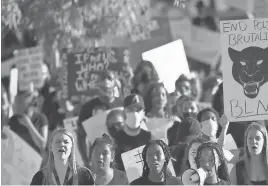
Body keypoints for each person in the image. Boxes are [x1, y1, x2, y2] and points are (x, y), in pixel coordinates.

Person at [77, 70, 123, 167]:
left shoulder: (123, 105)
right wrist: (86, 160)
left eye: (109, 78)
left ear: (115, 83)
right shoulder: (87, 108)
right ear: (97, 84)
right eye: (102, 78)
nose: (106, 81)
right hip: (99, 158)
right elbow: (81, 136)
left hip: (121, 158)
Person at [30, 128, 95, 185]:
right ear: (50, 147)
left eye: (66, 142)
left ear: (72, 148)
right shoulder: (40, 177)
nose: (61, 144)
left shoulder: (85, 175)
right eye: (57, 142)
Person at [115, 94, 152, 171]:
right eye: (130, 109)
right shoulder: (115, 137)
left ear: (143, 113)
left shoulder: (149, 137)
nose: (135, 113)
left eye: (138, 110)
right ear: (123, 112)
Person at [8, 90, 48, 156]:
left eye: (22, 103)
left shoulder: (41, 118)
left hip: (35, 161)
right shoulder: (13, 120)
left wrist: (28, 124)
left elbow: (42, 145)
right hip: (17, 160)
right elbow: (8, 143)